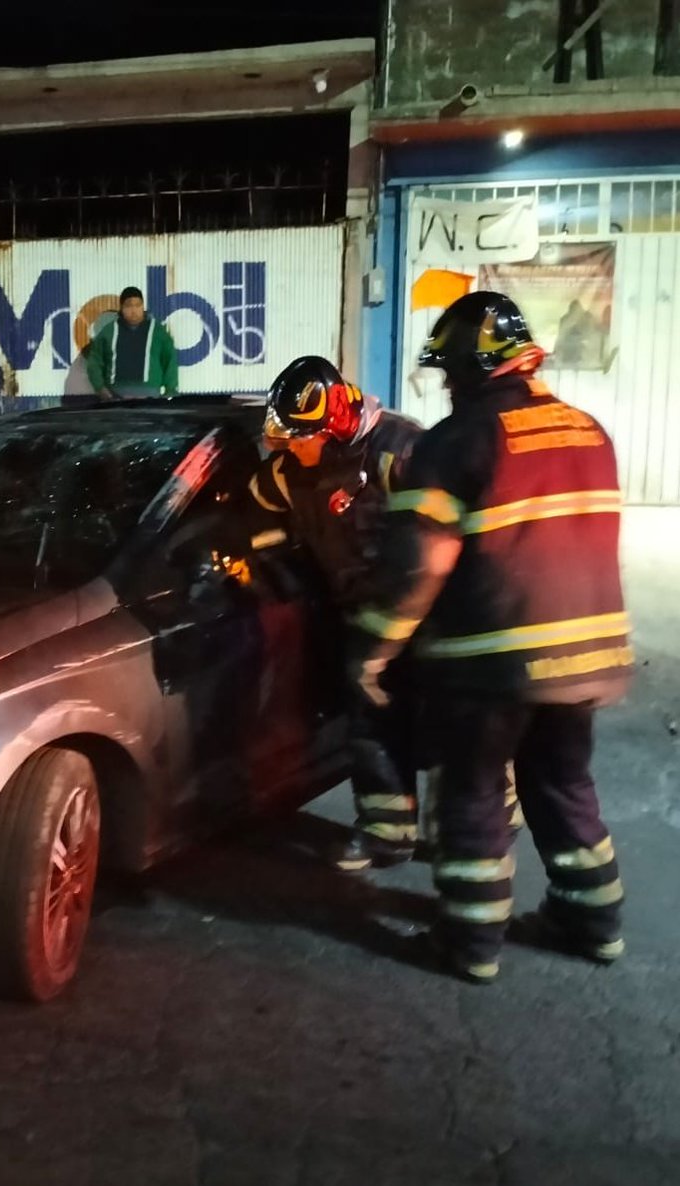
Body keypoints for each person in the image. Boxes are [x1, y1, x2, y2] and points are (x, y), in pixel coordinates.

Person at [349, 291, 631, 983]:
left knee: (473, 792)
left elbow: (422, 564)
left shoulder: (457, 440)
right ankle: (591, 921)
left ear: (477, 370)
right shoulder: (589, 429)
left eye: (451, 370)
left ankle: (469, 943)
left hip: (492, 661)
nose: (446, 383)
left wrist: (378, 650)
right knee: (563, 784)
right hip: (587, 657)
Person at [248, 356, 424, 871]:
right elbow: (258, 509)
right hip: (361, 617)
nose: (289, 451)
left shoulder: (402, 449)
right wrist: (279, 567)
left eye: (299, 439)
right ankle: (387, 833)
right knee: (370, 724)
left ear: (335, 425)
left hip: (426, 617)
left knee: (456, 724)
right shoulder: (290, 473)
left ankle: (478, 833)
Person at [85, 286, 179, 399]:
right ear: (121, 308)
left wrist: (170, 391)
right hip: (116, 397)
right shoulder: (108, 332)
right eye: (128, 306)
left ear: (143, 306)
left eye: (138, 305)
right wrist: (100, 388)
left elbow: (170, 362)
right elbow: (95, 362)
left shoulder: (158, 332)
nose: (134, 310)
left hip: (150, 397)